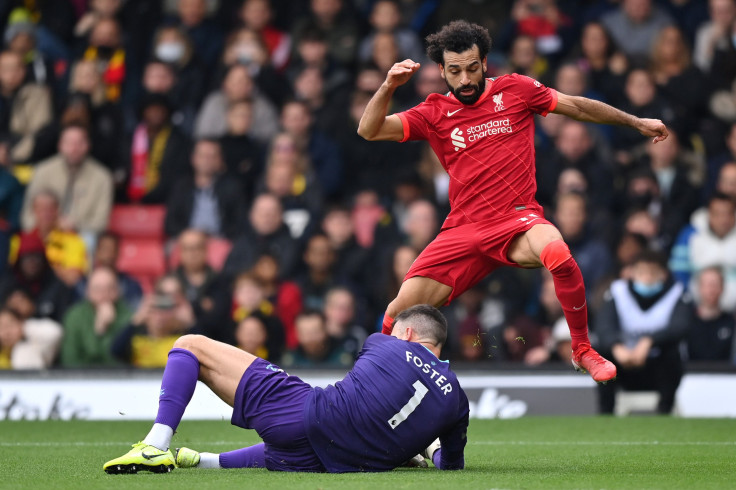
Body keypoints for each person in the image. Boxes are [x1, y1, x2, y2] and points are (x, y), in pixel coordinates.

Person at [357, 20, 669, 382]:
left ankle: (582, 349)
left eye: (473, 68)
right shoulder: (434, 113)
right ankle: (369, 384)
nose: (465, 80)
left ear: (485, 62)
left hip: (515, 220)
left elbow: (578, 108)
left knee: (558, 253)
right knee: (398, 311)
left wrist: (636, 122)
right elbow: (369, 129)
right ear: (441, 70)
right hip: (463, 229)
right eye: (455, 71)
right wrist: (389, 85)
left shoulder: (517, 90)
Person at [103, 304, 468, 474]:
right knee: (325, 435)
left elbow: (368, 394)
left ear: (405, 334)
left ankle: (155, 445)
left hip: (305, 416)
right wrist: (425, 444)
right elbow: (451, 466)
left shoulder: (382, 342)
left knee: (189, 345)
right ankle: (207, 462)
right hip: (342, 463)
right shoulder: (457, 402)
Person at [594, 250, 692, 414]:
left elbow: (680, 327)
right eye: (641, 272)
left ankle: (664, 410)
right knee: (601, 354)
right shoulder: (617, 292)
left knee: (672, 354)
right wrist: (616, 347)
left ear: (663, 274)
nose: (647, 278)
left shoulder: (677, 294)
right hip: (624, 363)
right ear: (632, 273)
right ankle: (606, 413)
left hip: (657, 365)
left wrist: (649, 341)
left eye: (652, 273)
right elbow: (603, 326)